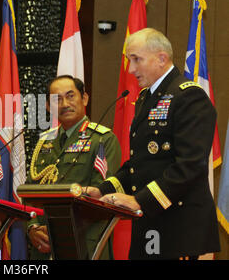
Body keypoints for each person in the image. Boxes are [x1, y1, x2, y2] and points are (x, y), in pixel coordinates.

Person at [86, 28, 220, 259]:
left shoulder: (189, 96)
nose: (131, 69)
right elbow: (140, 165)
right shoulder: (145, 98)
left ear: (161, 58)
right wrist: (102, 190)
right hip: (149, 221)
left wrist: (139, 200)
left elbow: (190, 166)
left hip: (179, 227)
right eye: (130, 60)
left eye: (136, 59)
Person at [26, 75, 121, 259]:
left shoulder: (102, 139)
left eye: (70, 96)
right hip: (44, 249)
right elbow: (28, 194)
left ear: (84, 98)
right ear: (48, 106)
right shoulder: (44, 142)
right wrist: (33, 228)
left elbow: (102, 199)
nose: (64, 104)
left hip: (85, 247)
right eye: (56, 99)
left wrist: (59, 229)